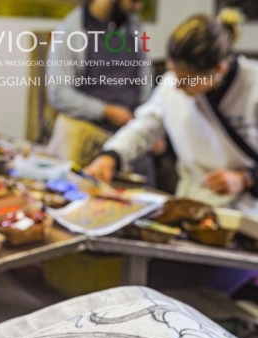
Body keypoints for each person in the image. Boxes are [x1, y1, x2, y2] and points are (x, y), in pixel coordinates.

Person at [86, 9, 258, 215]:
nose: (177, 86)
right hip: (191, 204)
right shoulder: (171, 85)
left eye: (186, 80)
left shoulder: (253, 87)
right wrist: (111, 156)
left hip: (245, 212)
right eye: (174, 74)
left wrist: (246, 180)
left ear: (219, 70)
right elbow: (144, 128)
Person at [46, 0, 156, 182]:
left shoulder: (134, 26)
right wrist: (105, 110)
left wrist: (150, 126)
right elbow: (58, 92)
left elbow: (145, 80)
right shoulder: (72, 30)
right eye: (134, 1)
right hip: (87, 147)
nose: (138, 7)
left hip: (132, 144)